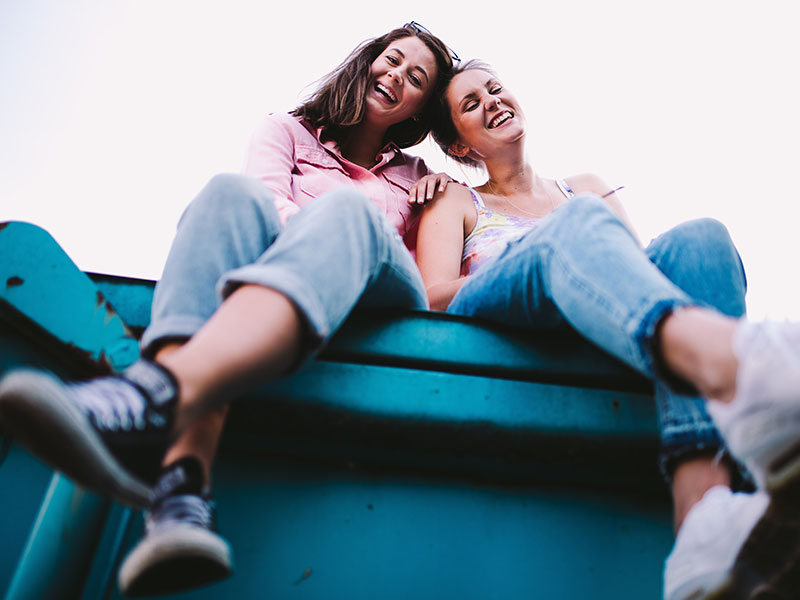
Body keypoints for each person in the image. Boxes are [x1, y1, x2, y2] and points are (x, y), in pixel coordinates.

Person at [0, 23, 455, 597]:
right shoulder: (286, 131)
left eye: (416, 79)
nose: (396, 78)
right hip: (284, 284)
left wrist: (435, 198)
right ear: (368, 61)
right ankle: (183, 494)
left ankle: (149, 395)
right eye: (392, 61)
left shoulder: (419, 179)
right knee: (226, 193)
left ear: (420, 109)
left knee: (345, 212)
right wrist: (298, 238)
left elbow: (430, 277)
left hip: (379, 294)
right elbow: (262, 199)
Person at [414, 59, 800, 600]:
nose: (493, 102)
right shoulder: (457, 198)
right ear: (459, 145)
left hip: (595, 321)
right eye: (471, 104)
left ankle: (702, 521)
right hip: (506, 310)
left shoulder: (585, 188)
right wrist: (539, 247)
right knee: (577, 224)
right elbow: (432, 296)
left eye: (495, 89)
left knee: (701, 238)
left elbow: (635, 277)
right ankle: (745, 369)